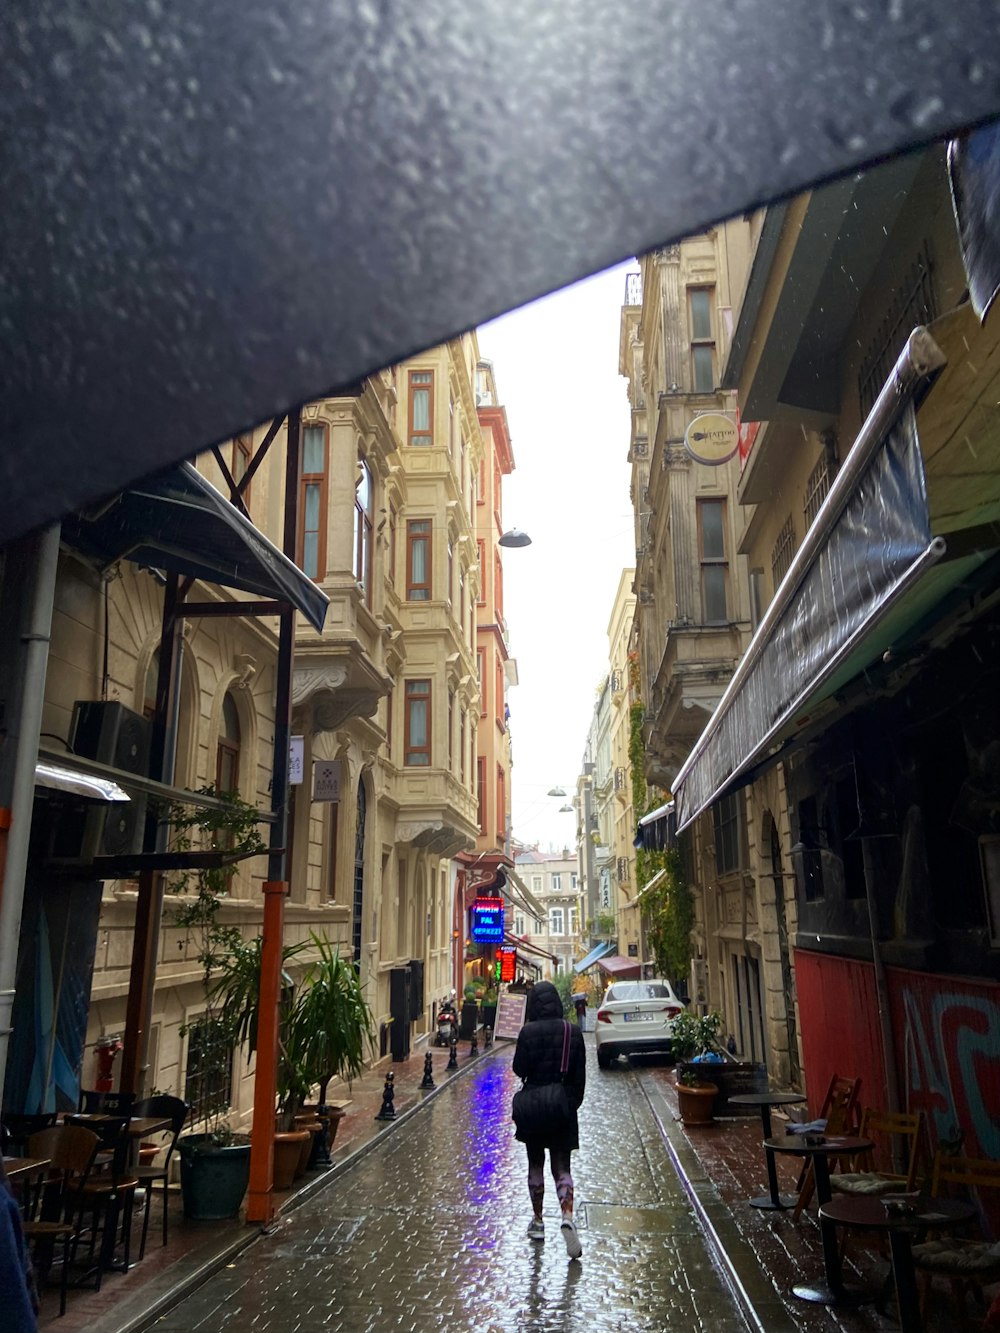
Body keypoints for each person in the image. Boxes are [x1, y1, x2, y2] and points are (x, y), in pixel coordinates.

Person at [512, 980, 586, 1258]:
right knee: (561, 1166)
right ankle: (567, 1215)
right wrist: (569, 1105)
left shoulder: (527, 1032)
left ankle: (538, 1220)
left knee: (535, 1164)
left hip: (533, 1106)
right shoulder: (572, 1032)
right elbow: (580, 1079)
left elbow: (519, 1068)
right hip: (561, 1107)